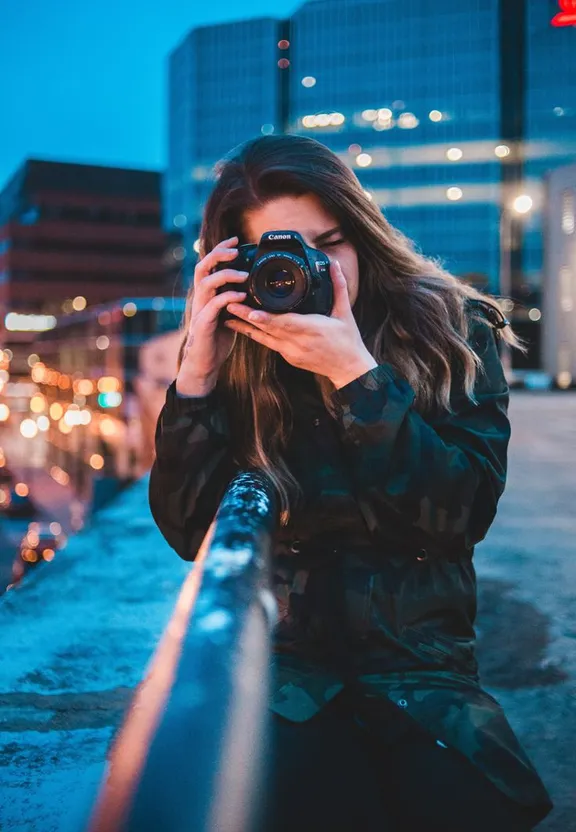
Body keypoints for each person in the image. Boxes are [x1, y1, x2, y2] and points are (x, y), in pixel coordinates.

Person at [148, 135, 553, 831]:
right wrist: (197, 374)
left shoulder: (451, 328)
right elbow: (192, 533)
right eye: (279, 255)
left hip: (423, 676)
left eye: (329, 242)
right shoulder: (239, 352)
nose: (311, 270)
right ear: (238, 265)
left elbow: (461, 512)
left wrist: (357, 377)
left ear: (362, 233)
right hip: (284, 677)